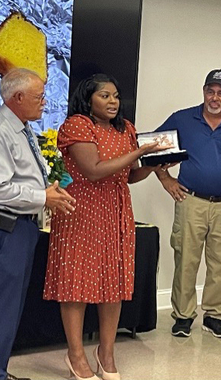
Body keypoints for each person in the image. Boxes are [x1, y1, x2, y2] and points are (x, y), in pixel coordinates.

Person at [43, 74, 167, 380]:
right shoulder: (77, 125)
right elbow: (94, 170)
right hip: (79, 213)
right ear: (89, 100)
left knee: (114, 284)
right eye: (105, 96)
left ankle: (106, 352)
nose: (113, 102)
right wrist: (140, 152)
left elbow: (128, 176)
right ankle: (75, 354)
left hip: (116, 212)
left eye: (116, 96)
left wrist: (152, 166)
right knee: (77, 285)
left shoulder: (126, 128)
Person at [0, 68, 75, 380]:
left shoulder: (21, 127)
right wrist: (43, 198)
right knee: (1, 307)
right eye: (38, 96)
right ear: (16, 98)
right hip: (2, 230)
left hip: (19, 228)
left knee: (8, 306)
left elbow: (25, 177)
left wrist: (49, 193)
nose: (45, 102)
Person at [155, 69, 221, 338]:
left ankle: (214, 315)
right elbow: (151, 147)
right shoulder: (183, 119)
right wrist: (166, 179)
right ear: (203, 91)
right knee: (186, 260)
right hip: (191, 201)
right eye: (210, 91)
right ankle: (183, 315)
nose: (215, 98)